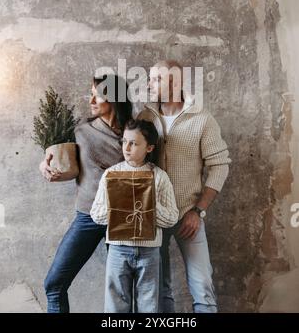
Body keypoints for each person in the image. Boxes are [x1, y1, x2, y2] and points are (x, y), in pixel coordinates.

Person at [138, 60, 231, 313]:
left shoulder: (202, 118)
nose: (149, 84)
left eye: (156, 79)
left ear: (174, 83)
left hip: (187, 215)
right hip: (153, 218)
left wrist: (198, 211)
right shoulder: (146, 116)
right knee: (159, 292)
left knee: (203, 289)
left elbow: (220, 165)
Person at [39, 74, 132, 313]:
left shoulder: (134, 132)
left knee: (124, 292)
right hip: (87, 216)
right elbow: (59, 158)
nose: (90, 99)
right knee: (54, 283)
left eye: (97, 94)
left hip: (124, 219)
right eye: (90, 93)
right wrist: (45, 166)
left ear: (114, 98)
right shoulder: (80, 131)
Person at [90, 119, 179, 313]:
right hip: (118, 250)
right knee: (115, 306)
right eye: (124, 142)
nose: (127, 148)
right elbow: (96, 214)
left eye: (134, 143)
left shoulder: (160, 177)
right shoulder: (111, 175)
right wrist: (121, 205)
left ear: (149, 148)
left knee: (149, 306)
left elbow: (172, 217)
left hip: (150, 252)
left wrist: (149, 203)